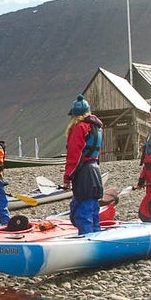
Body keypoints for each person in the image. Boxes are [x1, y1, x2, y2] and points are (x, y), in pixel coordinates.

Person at [63, 94, 105, 235]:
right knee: (93, 209)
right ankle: (97, 236)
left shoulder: (80, 127)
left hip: (84, 172)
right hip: (95, 170)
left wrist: (67, 177)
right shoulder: (97, 128)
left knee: (82, 212)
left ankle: (88, 239)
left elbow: (74, 155)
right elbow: (96, 153)